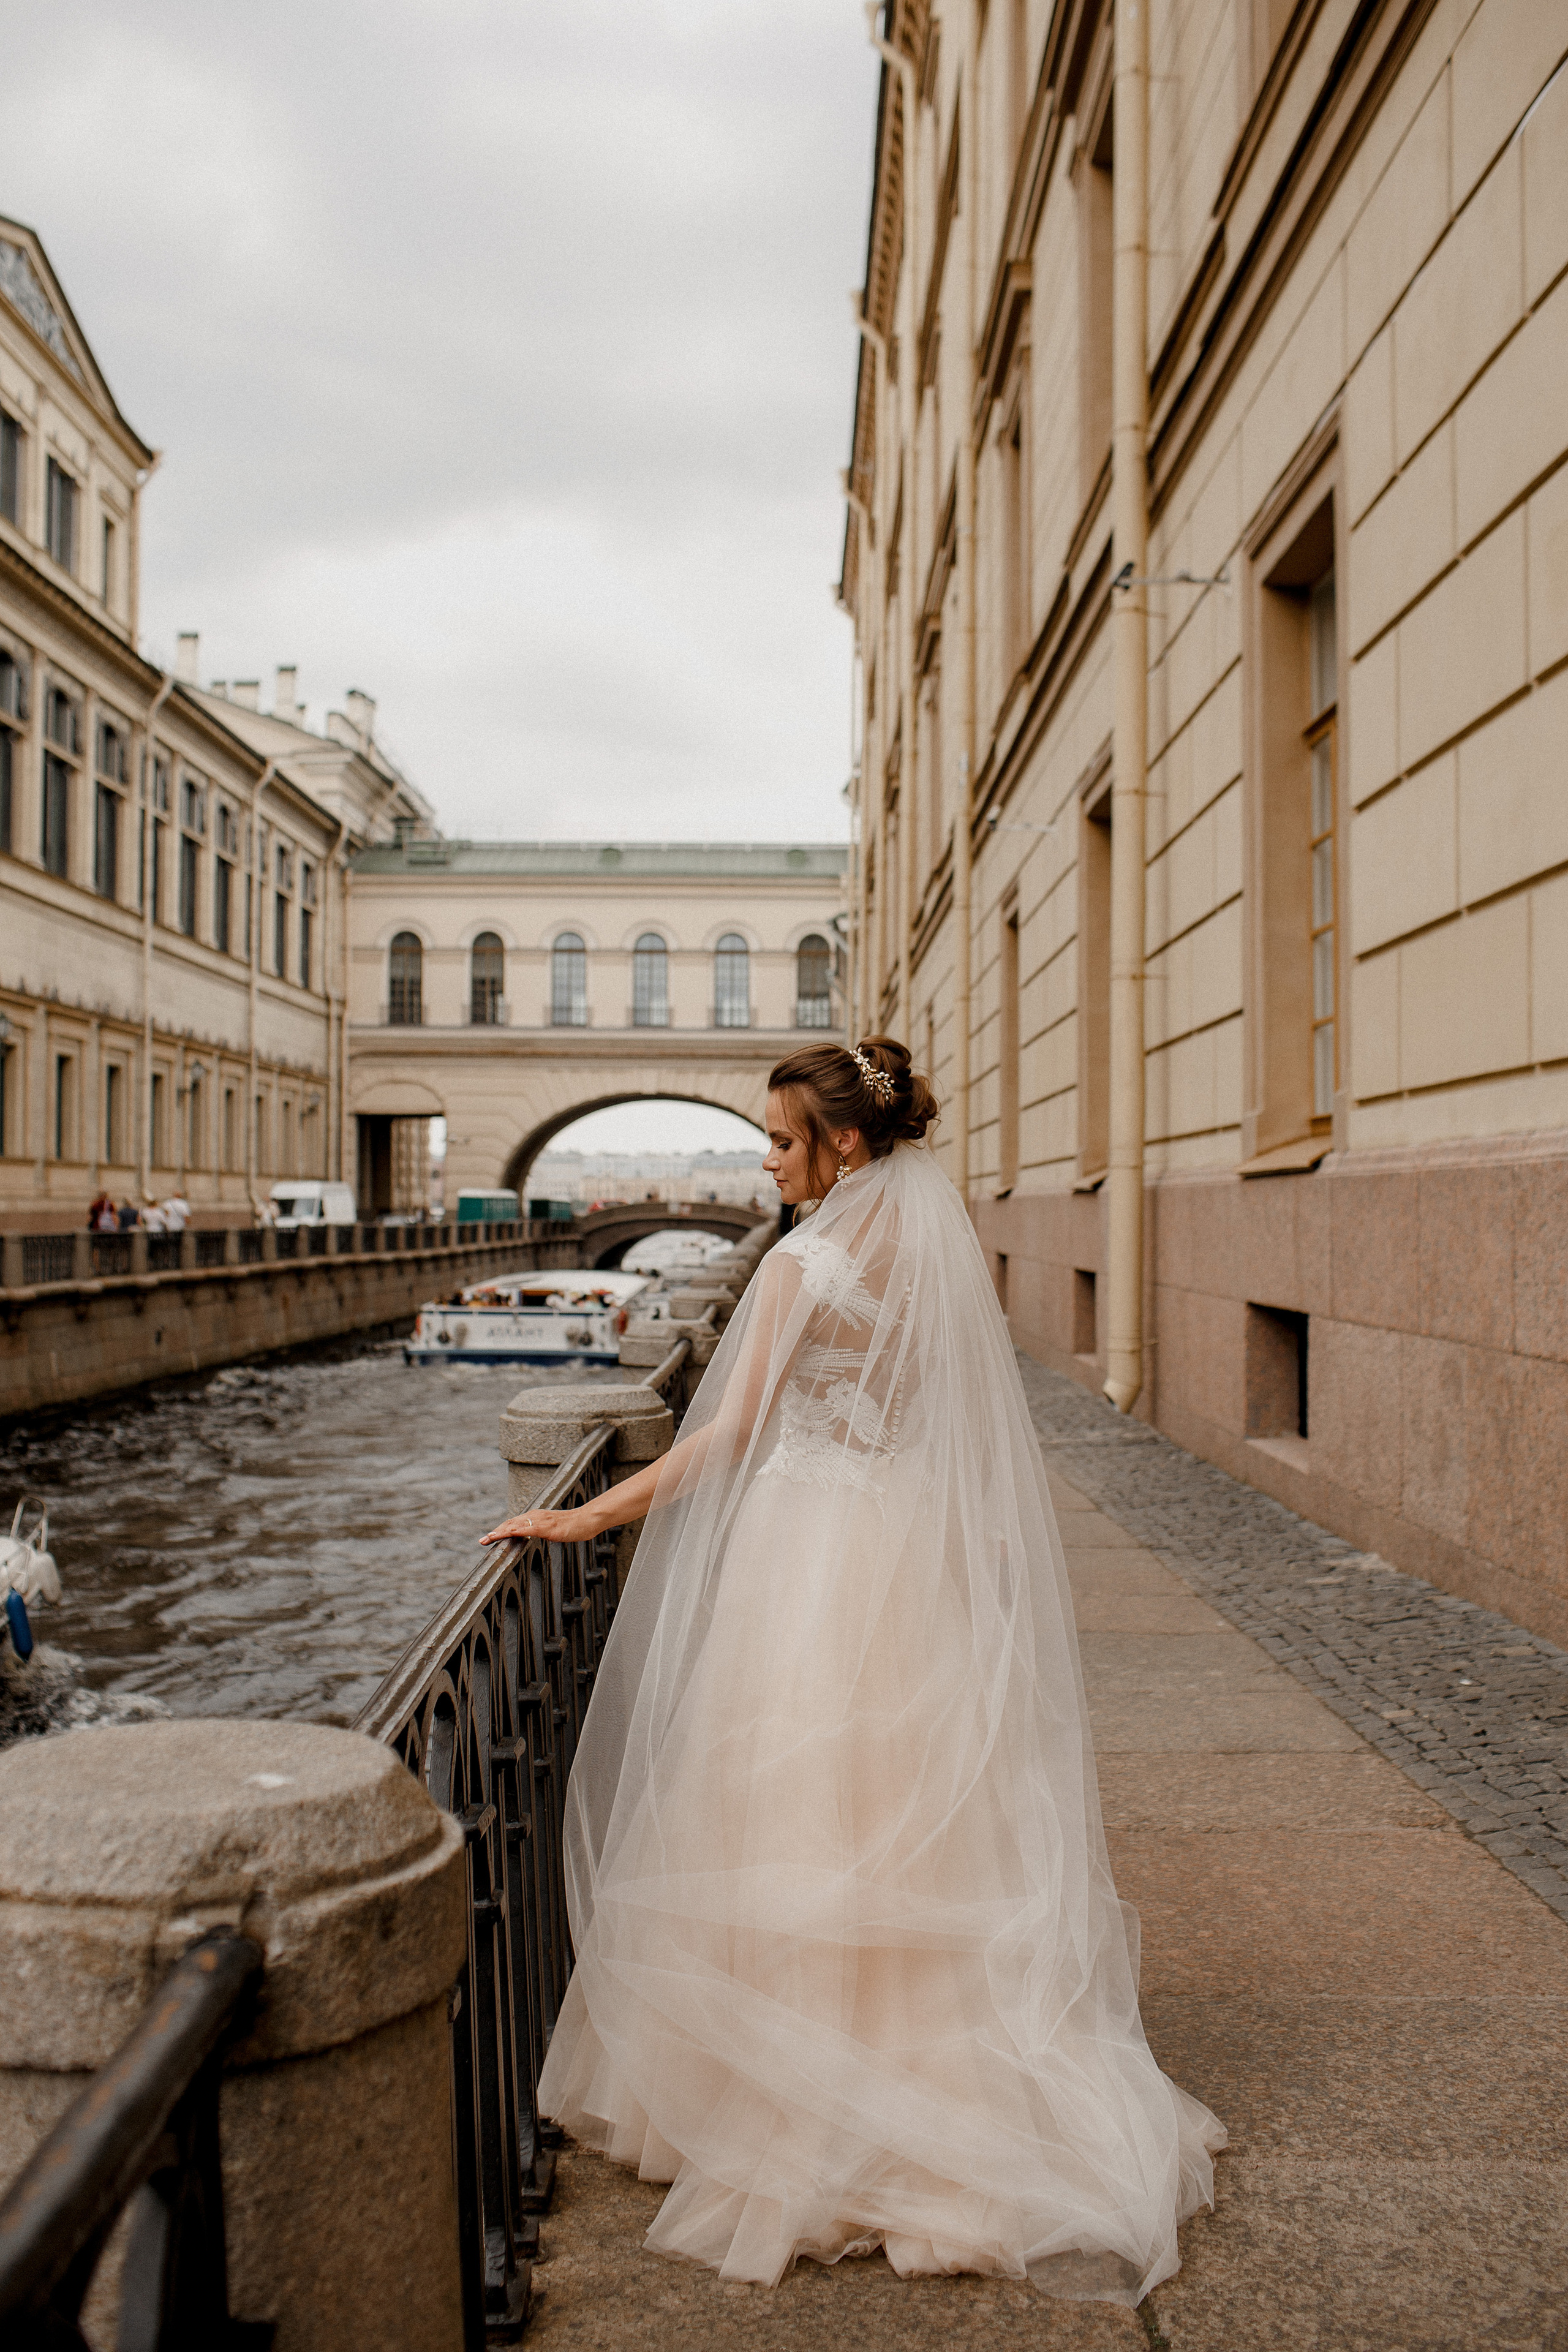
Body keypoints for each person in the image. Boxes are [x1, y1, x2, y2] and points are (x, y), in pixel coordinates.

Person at [481, 1037, 1224, 2303]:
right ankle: (928, 2071)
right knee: (907, 1814)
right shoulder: (932, 1254)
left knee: (791, 1803)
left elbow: (727, 1434)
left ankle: (799, 2097)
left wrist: (591, 1517)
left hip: (807, 1558)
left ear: (839, 1146)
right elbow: (944, 1427)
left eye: (779, 1142)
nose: (767, 1164)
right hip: (898, 1555)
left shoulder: (804, 1259)